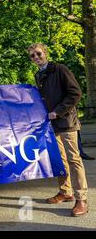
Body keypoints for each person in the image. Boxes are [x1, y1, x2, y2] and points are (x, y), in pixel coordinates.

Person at [28, 43, 89, 216]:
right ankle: (65, 191)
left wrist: (58, 111)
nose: (36, 57)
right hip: (52, 125)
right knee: (60, 160)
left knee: (73, 159)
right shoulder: (39, 75)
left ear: (45, 53)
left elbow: (75, 93)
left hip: (67, 122)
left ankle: (81, 199)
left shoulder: (60, 69)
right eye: (32, 56)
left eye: (38, 53)